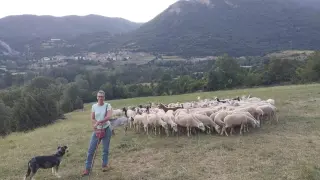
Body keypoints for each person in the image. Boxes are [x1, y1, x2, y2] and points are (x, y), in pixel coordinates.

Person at [82, 90, 113, 176]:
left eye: (102, 96)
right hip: (97, 130)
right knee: (91, 150)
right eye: (99, 96)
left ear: (104, 97)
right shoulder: (94, 106)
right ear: (97, 97)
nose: (100, 98)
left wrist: (99, 122)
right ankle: (87, 169)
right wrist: (96, 123)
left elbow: (108, 116)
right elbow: (92, 118)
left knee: (105, 149)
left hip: (106, 129)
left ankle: (104, 165)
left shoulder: (108, 105)